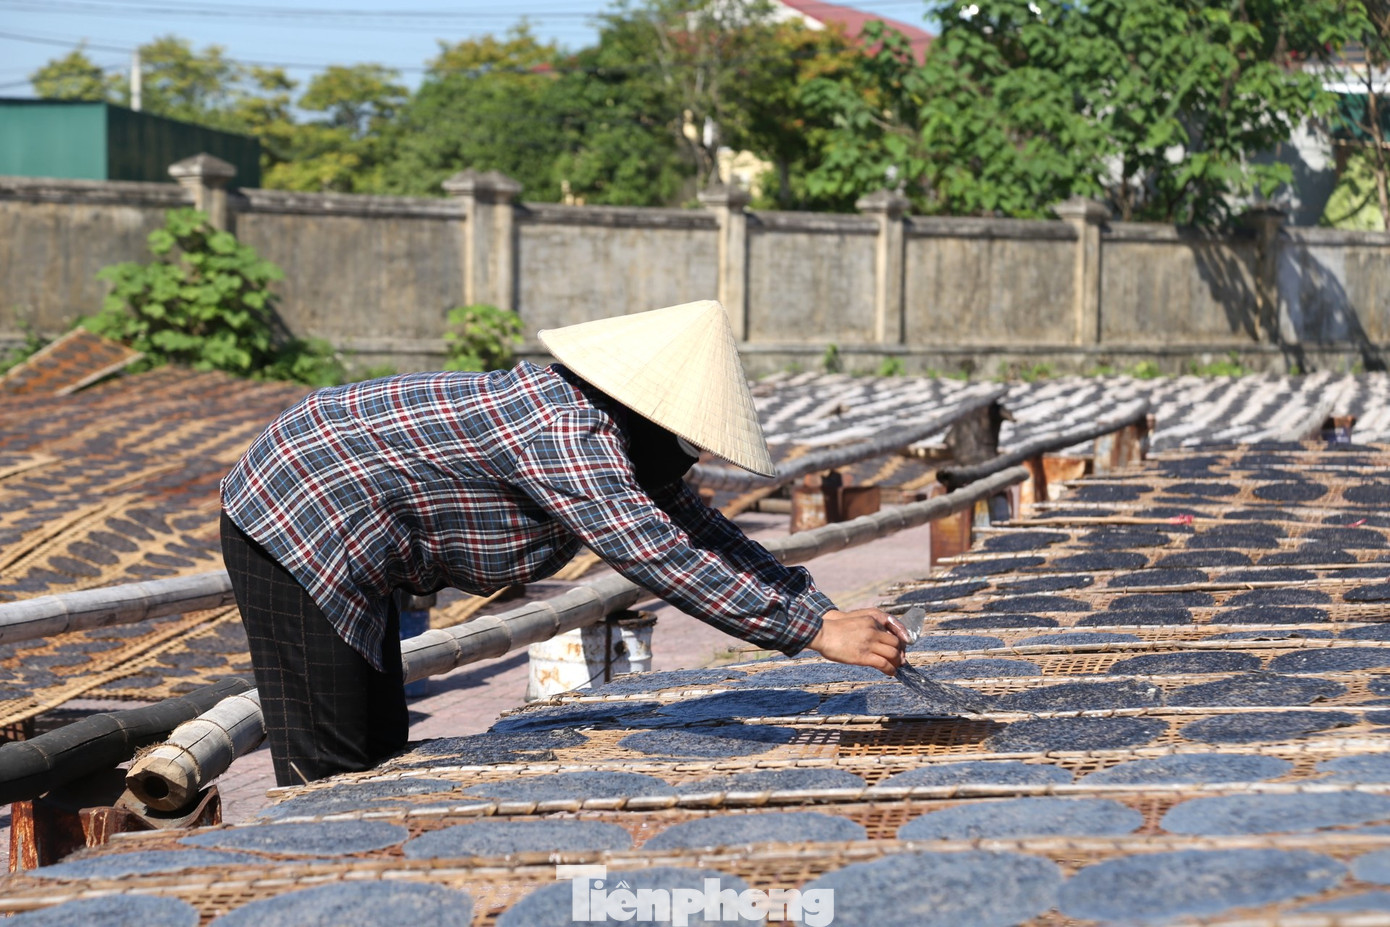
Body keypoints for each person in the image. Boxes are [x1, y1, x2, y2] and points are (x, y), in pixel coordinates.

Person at [220, 299, 908, 787]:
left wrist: (817, 607)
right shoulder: (566, 430)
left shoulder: (615, 429)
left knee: (379, 743)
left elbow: (698, 529)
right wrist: (807, 629)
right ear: (647, 407)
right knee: (335, 760)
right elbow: (655, 550)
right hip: (296, 510)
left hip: (359, 530)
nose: (688, 455)